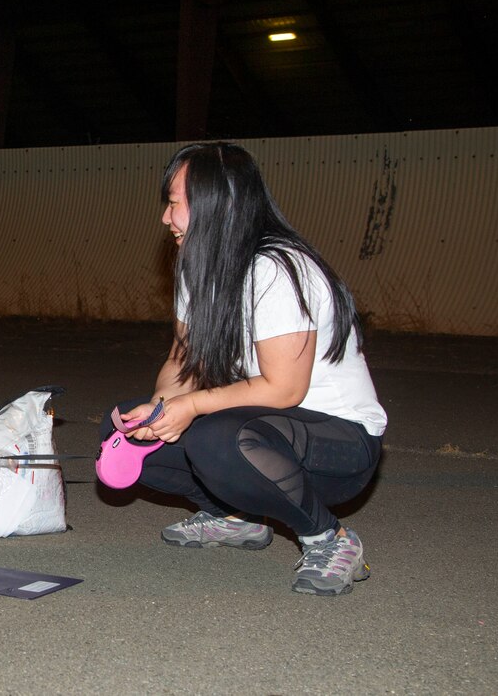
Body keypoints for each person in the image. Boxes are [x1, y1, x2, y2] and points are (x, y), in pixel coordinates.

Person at [104, 141, 387, 596]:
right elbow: (182, 359)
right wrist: (159, 409)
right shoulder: (199, 269)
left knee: (216, 437)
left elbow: (284, 388)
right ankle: (232, 518)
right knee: (121, 430)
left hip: (340, 443)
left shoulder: (278, 269)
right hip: (260, 428)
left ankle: (329, 539)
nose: (165, 217)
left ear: (219, 204)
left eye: (174, 204)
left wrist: (192, 405)